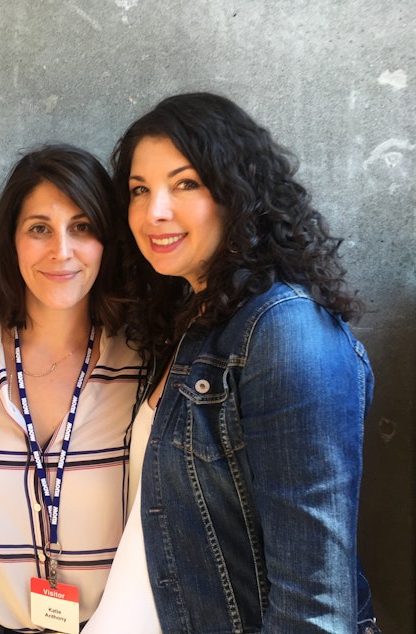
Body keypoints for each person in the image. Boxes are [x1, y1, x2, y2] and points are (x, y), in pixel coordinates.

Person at [83, 92, 380, 634]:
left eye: (185, 184)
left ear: (237, 192)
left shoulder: (285, 333)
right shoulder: (193, 321)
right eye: (139, 190)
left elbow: (315, 608)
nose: (155, 211)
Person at [0, 144, 148, 633]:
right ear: (11, 240)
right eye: (39, 228)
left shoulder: (145, 361)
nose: (61, 250)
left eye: (82, 228)